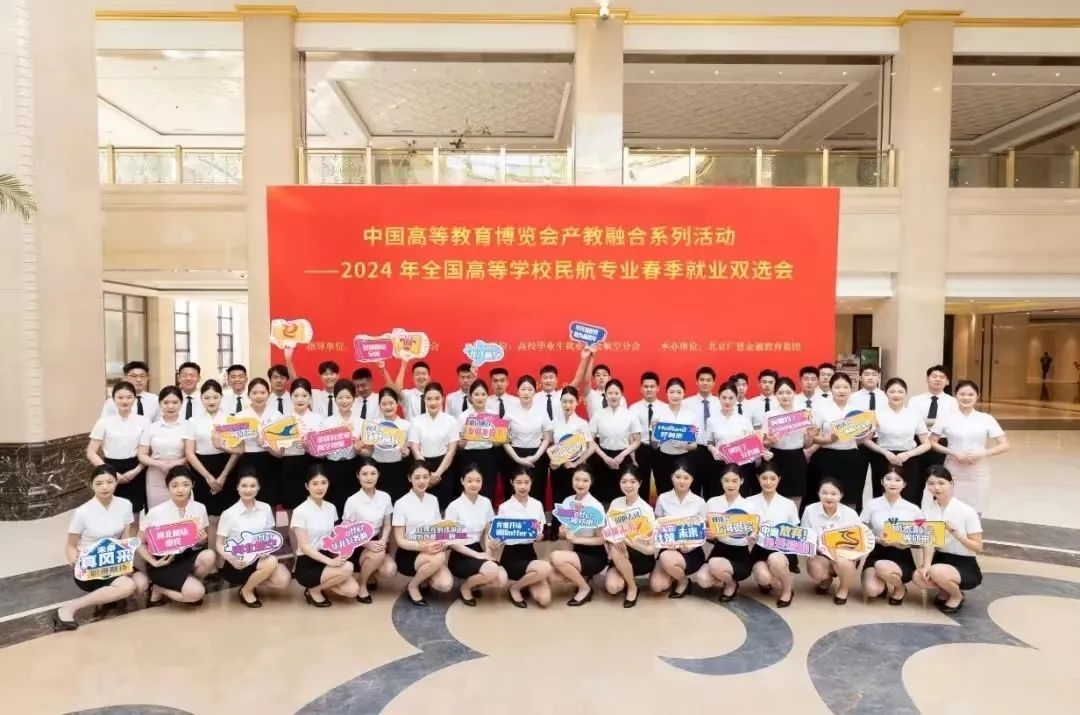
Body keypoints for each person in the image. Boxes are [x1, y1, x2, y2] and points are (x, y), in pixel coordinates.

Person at [53, 465, 150, 631]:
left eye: (109, 482)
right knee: (127, 586)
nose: (105, 487)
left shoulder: (125, 505)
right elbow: (70, 545)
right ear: (92, 485)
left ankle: (111, 596)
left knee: (141, 583)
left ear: (116, 483)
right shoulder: (83, 512)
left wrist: (126, 564)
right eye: (99, 483)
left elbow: (124, 540)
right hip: (92, 564)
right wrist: (75, 561)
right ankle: (68, 609)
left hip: (114, 560)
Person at [139, 466, 215, 606]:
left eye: (185, 485)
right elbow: (140, 543)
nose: (180, 489)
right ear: (168, 487)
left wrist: (202, 540)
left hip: (187, 556)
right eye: (175, 485)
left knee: (209, 555)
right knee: (196, 594)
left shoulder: (199, 508)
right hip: (164, 560)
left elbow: (202, 543)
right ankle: (158, 588)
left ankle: (192, 582)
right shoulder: (156, 512)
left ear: (192, 485)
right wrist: (153, 562)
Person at [929, 380, 1009, 514]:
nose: (966, 398)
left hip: (978, 470)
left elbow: (1005, 445)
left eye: (971, 394)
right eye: (962, 394)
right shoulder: (946, 417)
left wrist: (981, 453)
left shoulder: (986, 418)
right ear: (955, 395)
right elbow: (932, 442)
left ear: (978, 396)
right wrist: (953, 452)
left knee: (976, 509)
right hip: (953, 469)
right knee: (950, 508)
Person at [215, 470, 292, 607]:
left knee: (283, 580)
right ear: (237, 487)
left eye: (252, 486)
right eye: (244, 486)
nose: (248, 490)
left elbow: (270, 536)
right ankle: (247, 591)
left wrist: (267, 550)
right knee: (272, 561)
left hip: (260, 558)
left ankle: (249, 585)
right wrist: (231, 559)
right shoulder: (229, 514)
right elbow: (219, 544)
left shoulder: (265, 508)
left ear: (258, 487)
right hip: (238, 561)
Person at [913, 466, 984, 613]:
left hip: (964, 562)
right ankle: (945, 589)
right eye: (931, 483)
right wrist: (926, 565)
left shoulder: (967, 511)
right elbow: (929, 541)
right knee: (918, 577)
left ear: (951, 484)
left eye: (941, 483)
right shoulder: (927, 510)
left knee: (936, 572)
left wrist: (958, 534)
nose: (936, 488)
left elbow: (978, 547)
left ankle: (957, 596)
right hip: (940, 558)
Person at [182, 380, 241, 556]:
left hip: (227, 468)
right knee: (210, 517)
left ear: (221, 397)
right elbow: (189, 453)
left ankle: (228, 557)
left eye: (215, 397)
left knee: (228, 515)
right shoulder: (192, 421)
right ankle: (211, 558)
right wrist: (207, 476)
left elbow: (237, 451)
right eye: (207, 397)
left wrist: (223, 476)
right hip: (202, 470)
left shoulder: (231, 419)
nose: (211, 401)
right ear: (201, 399)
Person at [291, 463, 360, 606]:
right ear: (307, 486)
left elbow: (333, 537)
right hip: (308, 562)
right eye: (315, 483)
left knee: (353, 590)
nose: (319, 487)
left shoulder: (331, 507)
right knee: (348, 568)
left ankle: (322, 585)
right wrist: (330, 562)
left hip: (326, 556)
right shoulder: (300, 511)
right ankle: (314, 590)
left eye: (323, 483)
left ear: (328, 484)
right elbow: (304, 546)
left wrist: (342, 548)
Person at [801, 477, 873, 605]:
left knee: (842, 562)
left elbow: (860, 539)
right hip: (821, 553)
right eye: (824, 493)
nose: (829, 497)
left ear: (841, 495)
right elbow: (805, 535)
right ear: (818, 493)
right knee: (816, 569)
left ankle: (844, 588)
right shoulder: (810, 510)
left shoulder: (850, 513)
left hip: (845, 555)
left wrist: (850, 554)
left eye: (834, 494)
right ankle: (826, 579)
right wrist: (812, 548)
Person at [392, 461, 454, 606]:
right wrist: (422, 547)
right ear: (409, 478)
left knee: (445, 585)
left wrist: (442, 542)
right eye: (417, 477)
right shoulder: (401, 503)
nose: (422, 481)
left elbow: (438, 529)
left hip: (431, 549)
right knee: (440, 557)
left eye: (426, 477)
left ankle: (425, 578)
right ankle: (413, 586)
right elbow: (400, 540)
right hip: (409, 552)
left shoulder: (433, 499)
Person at [861, 377, 932, 501]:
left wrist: (908, 454)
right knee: (882, 495)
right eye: (892, 391)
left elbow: (927, 444)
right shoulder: (875, 414)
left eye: (900, 391)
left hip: (909, 459)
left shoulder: (914, 415)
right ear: (885, 393)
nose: (896, 395)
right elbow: (866, 440)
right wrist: (885, 452)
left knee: (910, 495)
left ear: (906, 393)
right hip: (883, 458)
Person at [861, 467, 923, 606]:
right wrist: (877, 540)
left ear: (904, 484)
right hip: (877, 551)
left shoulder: (913, 509)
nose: (892, 483)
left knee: (882, 567)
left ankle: (900, 588)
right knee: (872, 590)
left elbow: (922, 535)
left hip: (901, 554)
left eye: (897, 480)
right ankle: (881, 584)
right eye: (888, 479)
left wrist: (906, 543)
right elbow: (861, 530)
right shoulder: (872, 504)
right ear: (882, 481)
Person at [549, 465, 608, 606]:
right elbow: (564, 535)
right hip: (576, 552)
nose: (580, 484)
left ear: (591, 482)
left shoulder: (595, 506)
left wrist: (576, 539)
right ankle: (585, 576)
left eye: (585, 480)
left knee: (555, 557)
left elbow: (601, 540)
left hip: (595, 555)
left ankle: (585, 589)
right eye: (577, 479)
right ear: (572, 480)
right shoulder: (567, 501)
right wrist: (562, 532)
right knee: (551, 577)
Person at [87, 381, 149, 514]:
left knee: (135, 512)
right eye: (120, 397)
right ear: (113, 399)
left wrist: (136, 471)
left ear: (135, 398)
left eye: (129, 397)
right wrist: (111, 473)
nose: (125, 401)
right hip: (110, 468)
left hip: (136, 468)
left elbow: (148, 451)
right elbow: (91, 452)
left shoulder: (144, 421)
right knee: (112, 512)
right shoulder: (103, 423)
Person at [493, 470, 553, 607]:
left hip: (530, 554)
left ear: (531, 483)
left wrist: (539, 537)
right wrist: (495, 542)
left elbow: (539, 532)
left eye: (526, 482)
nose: (523, 486)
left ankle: (522, 584)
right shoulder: (504, 507)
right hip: (512, 556)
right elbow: (501, 536)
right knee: (545, 568)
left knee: (545, 600)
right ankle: (515, 588)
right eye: (518, 482)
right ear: (512, 483)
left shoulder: (537, 504)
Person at [341, 458, 397, 603]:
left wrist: (383, 540)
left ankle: (369, 573)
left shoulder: (385, 497)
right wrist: (366, 543)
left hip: (376, 541)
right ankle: (362, 585)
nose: (369, 478)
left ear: (378, 474)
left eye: (373, 473)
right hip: (356, 544)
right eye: (364, 474)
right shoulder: (352, 500)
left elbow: (387, 524)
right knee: (378, 554)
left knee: (390, 569)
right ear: (358, 476)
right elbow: (345, 531)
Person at [809, 373, 867, 513]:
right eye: (837, 387)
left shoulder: (858, 409)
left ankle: (850, 522)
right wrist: (828, 439)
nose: (841, 391)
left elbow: (862, 438)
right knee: (827, 492)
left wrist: (869, 429)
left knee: (851, 493)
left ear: (851, 389)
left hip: (851, 456)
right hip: (827, 456)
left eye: (845, 387)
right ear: (831, 389)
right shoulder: (821, 408)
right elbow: (813, 438)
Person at [746, 462, 801, 607]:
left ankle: (787, 591)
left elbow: (796, 532)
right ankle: (769, 581)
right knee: (763, 577)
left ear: (779, 479)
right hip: (760, 548)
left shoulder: (788, 504)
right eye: (764, 478)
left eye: (773, 478)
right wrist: (750, 535)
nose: (768, 482)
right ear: (758, 478)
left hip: (782, 549)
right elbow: (745, 528)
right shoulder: (748, 502)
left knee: (775, 559)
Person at [651, 461, 708, 598]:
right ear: (672, 477)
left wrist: (690, 546)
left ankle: (683, 582)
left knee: (667, 559)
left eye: (686, 478)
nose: (681, 481)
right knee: (657, 586)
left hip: (691, 550)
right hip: (668, 547)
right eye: (677, 477)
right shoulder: (663, 498)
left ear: (692, 479)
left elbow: (703, 530)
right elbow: (658, 526)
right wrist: (665, 542)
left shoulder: (699, 502)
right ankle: (674, 573)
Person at [445, 466, 501, 606]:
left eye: (478, 480)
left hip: (477, 548)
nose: (474, 484)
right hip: (460, 552)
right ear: (462, 481)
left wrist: (488, 552)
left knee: (501, 580)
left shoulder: (486, 502)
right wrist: (477, 555)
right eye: (469, 481)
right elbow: (450, 541)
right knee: (492, 571)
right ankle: (466, 587)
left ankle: (474, 583)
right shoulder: (454, 506)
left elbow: (488, 531)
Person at [230, 378, 284, 511]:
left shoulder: (277, 415)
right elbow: (236, 448)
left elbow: (280, 453)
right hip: (247, 462)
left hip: (270, 461)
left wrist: (265, 444)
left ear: (268, 394)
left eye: (262, 392)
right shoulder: (240, 416)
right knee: (248, 501)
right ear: (249, 395)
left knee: (270, 502)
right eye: (254, 393)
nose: (259, 396)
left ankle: (271, 525)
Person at [603, 470, 656, 607]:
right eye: (624, 481)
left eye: (632, 481)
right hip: (619, 555)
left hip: (640, 556)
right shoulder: (615, 503)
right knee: (613, 588)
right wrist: (615, 539)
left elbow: (650, 549)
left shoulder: (646, 509)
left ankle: (632, 588)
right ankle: (628, 579)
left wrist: (627, 541)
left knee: (617, 545)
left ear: (640, 483)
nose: (628, 485)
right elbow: (607, 532)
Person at [548, 386, 596, 535]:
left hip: (575, 469)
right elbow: (551, 446)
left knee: (574, 500)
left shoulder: (582, 423)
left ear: (577, 402)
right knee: (558, 498)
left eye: (571, 401)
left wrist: (576, 463)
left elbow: (591, 448)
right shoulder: (554, 422)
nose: (567, 405)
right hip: (558, 468)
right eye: (564, 401)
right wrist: (552, 461)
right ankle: (556, 529)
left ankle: (573, 529)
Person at [702, 465, 754, 601]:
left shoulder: (749, 505)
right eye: (726, 480)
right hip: (720, 548)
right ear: (721, 481)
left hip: (740, 552)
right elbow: (705, 528)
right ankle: (723, 575)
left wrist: (753, 536)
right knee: (703, 580)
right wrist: (708, 535)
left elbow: (754, 532)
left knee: (714, 564)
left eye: (734, 481)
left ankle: (731, 584)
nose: (730, 485)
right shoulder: (712, 502)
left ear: (742, 481)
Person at [761, 377, 813, 509]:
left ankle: (794, 520)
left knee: (796, 495)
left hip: (797, 458)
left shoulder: (803, 414)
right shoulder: (769, 415)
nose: (785, 396)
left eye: (788, 392)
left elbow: (807, 444)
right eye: (781, 393)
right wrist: (770, 441)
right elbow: (764, 443)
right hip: (776, 457)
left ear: (794, 393)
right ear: (775, 394)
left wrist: (810, 435)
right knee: (774, 495)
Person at [586, 379, 641, 504]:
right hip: (602, 458)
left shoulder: (630, 415)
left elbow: (637, 441)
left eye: (616, 393)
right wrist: (605, 457)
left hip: (623, 457)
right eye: (610, 393)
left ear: (621, 395)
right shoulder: (598, 414)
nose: (613, 396)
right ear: (605, 395)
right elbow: (590, 440)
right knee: (601, 495)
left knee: (622, 495)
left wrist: (622, 455)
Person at [407, 383, 460, 510]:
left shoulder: (451, 421)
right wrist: (427, 473)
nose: (433, 402)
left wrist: (437, 474)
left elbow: (452, 450)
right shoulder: (416, 421)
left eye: (437, 398)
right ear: (424, 400)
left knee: (444, 507)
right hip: (422, 466)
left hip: (445, 467)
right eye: (429, 399)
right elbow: (415, 448)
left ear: (442, 398)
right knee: (423, 508)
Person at [503, 375, 553, 503]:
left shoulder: (541, 410)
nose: (526, 393)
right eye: (523, 389)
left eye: (530, 389)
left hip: (537, 456)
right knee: (515, 493)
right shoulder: (509, 411)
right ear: (517, 391)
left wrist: (536, 456)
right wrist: (517, 459)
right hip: (514, 455)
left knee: (536, 494)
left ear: (535, 392)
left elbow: (547, 438)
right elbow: (504, 439)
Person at [358, 387, 412, 503]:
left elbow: (410, 450)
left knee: (398, 502)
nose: (388, 407)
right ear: (379, 405)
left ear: (397, 403)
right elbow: (369, 452)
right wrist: (358, 450)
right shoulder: (373, 425)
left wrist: (407, 453)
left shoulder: (406, 425)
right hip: (377, 471)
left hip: (399, 470)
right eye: (384, 404)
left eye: (391, 403)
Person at [138, 386, 188, 510]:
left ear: (181, 403)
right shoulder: (151, 427)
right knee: (156, 513)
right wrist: (160, 464)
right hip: (156, 476)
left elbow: (192, 454)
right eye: (166, 402)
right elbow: (142, 454)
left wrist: (176, 463)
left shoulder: (188, 426)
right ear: (160, 403)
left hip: (180, 476)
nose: (170, 406)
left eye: (175, 402)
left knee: (181, 513)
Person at [704, 381, 757, 499]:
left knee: (740, 497)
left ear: (736, 398)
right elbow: (709, 442)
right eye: (724, 397)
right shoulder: (711, 420)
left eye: (731, 398)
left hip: (741, 466)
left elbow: (752, 443)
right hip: (719, 464)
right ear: (718, 397)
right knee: (718, 497)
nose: (727, 401)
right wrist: (713, 449)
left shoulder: (744, 420)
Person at [279, 378, 323, 516]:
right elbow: (278, 449)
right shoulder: (283, 420)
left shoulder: (319, 419)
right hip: (290, 465)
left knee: (313, 506)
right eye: (296, 395)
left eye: (304, 395)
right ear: (290, 397)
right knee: (291, 507)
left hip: (313, 465)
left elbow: (323, 450)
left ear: (310, 398)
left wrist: (310, 446)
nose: (300, 399)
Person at [319, 380, 363, 515]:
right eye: (340, 397)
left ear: (354, 398)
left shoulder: (360, 422)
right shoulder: (327, 422)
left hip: (352, 466)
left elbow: (365, 450)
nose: (344, 401)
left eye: (348, 397)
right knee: (333, 506)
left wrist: (360, 447)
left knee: (352, 506)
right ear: (335, 399)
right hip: (332, 467)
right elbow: (321, 451)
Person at [650, 377, 699, 498]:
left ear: (684, 393)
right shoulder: (659, 413)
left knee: (683, 491)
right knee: (664, 490)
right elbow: (654, 445)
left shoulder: (691, 415)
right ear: (666, 393)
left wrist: (686, 446)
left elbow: (694, 445)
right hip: (663, 459)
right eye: (671, 392)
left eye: (679, 392)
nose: (675, 395)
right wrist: (655, 431)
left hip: (684, 458)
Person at [909, 364, 957, 476]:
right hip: (919, 442)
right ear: (927, 380)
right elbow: (910, 422)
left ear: (947, 382)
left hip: (942, 443)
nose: (938, 379)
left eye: (942, 377)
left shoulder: (953, 402)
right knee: (916, 478)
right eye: (934, 376)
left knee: (938, 478)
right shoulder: (915, 400)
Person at [628, 371, 665, 501]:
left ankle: (662, 510)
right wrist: (632, 457)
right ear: (641, 388)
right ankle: (642, 510)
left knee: (662, 482)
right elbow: (630, 435)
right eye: (646, 386)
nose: (649, 389)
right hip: (641, 449)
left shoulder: (665, 408)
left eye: (652, 386)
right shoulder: (633, 408)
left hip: (660, 449)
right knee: (641, 483)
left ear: (658, 388)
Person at [382, 357, 432, 422]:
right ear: (413, 378)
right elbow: (396, 390)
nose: (421, 376)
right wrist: (403, 366)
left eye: (424, 374)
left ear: (429, 377)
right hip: (412, 428)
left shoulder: (435, 396)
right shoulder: (408, 395)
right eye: (417, 374)